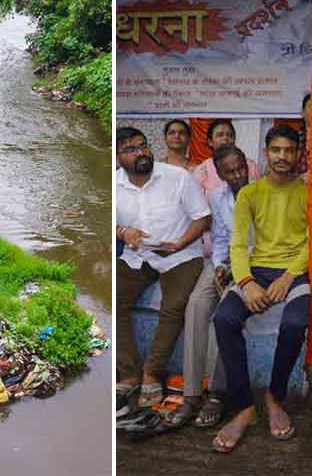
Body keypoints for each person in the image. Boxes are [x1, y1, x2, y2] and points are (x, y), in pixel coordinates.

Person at [211, 125, 309, 451]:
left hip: (296, 271)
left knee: (295, 322)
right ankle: (243, 407)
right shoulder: (250, 194)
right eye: (276, 150)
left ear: (297, 154)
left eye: (289, 150)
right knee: (224, 318)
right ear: (266, 153)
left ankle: (274, 397)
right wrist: (248, 283)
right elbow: (238, 246)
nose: (282, 156)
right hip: (258, 270)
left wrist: (288, 277)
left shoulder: (309, 191)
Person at [115, 127, 211, 417]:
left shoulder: (177, 177)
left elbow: (203, 218)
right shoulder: (114, 185)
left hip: (180, 254)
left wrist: (182, 242)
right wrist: (122, 231)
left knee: (174, 306)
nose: (141, 152)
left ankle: (152, 374)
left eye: (143, 145)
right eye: (131, 149)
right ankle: (129, 373)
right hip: (138, 256)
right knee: (113, 298)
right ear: (119, 158)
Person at [165, 145, 250, 429]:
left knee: (227, 313)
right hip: (223, 263)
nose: (238, 174)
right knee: (196, 306)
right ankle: (191, 395)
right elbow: (220, 238)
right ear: (220, 174)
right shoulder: (216, 196)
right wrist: (221, 265)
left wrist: (238, 269)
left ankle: (217, 393)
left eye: (241, 168)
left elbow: (263, 245)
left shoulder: (261, 194)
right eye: (230, 171)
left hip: (252, 266)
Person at [193, 119, 260, 196]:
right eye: (220, 135)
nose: (225, 138)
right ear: (210, 142)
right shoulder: (202, 170)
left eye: (230, 135)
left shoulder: (250, 165)